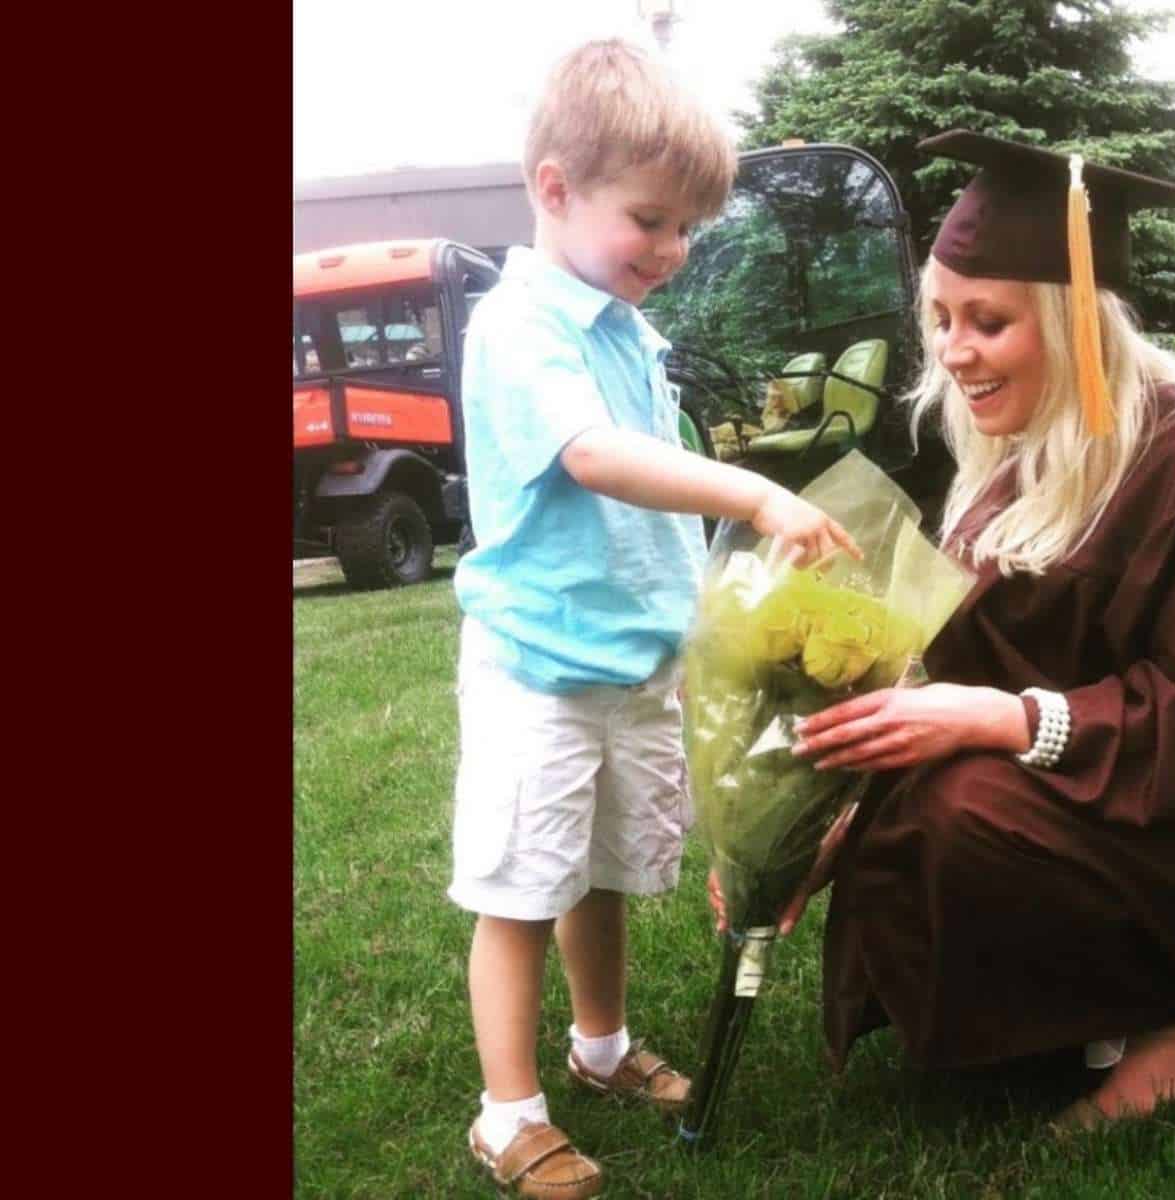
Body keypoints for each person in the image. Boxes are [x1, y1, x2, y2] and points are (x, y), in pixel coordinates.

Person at [766, 132, 1175, 1133]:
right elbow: (973, 665)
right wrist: (829, 814)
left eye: (988, 321)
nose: (952, 351)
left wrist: (1004, 719)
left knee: (964, 810)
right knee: (918, 787)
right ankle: (1084, 1012)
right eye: (939, 318)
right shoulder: (1030, 449)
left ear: (1076, 326)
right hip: (1139, 780)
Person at [449, 40, 860, 1199]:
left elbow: (654, 483)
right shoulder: (522, 325)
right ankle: (507, 1112)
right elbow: (596, 458)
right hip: (541, 666)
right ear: (554, 190)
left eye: (689, 229)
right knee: (524, 886)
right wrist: (754, 490)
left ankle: (601, 1047)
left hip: (632, 664)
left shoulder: (627, 329)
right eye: (652, 221)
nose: (673, 252)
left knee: (604, 877)